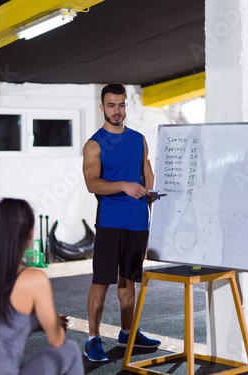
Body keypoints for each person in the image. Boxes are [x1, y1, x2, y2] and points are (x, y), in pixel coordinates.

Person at [0, 198, 84, 375]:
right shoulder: (34, 278)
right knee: (70, 349)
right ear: (29, 234)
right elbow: (56, 339)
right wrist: (52, 322)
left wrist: (35, 323)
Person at [82, 83, 160, 362]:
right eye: (111, 105)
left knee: (129, 281)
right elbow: (92, 184)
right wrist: (124, 186)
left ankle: (129, 332)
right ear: (102, 108)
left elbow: (148, 177)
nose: (117, 111)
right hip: (111, 221)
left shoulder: (139, 139)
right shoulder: (94, 144)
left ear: (127, 105)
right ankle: (93, 339)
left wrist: (156, 208)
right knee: (102, 281)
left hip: (138, 222)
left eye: (121, 105)